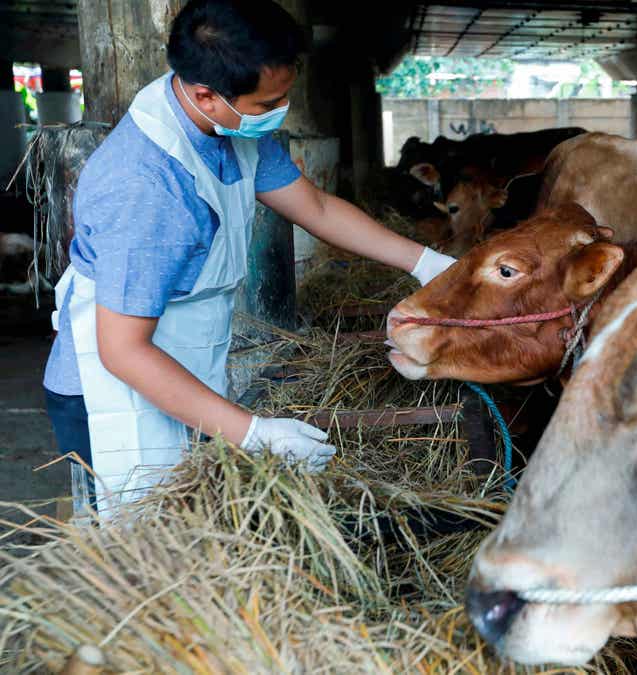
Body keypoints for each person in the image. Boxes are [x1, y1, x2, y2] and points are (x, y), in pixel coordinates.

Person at [42, 0, 456, 517]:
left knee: (193, 519)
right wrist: (254, 433)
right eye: (268, 105)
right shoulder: (147, 188)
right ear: (205, 95)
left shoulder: (227, 127)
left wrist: (427, 263)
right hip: (116, 391)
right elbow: (123, 351)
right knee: (140, 536)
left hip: (179, 363)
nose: (278, 113)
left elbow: (317, 207)